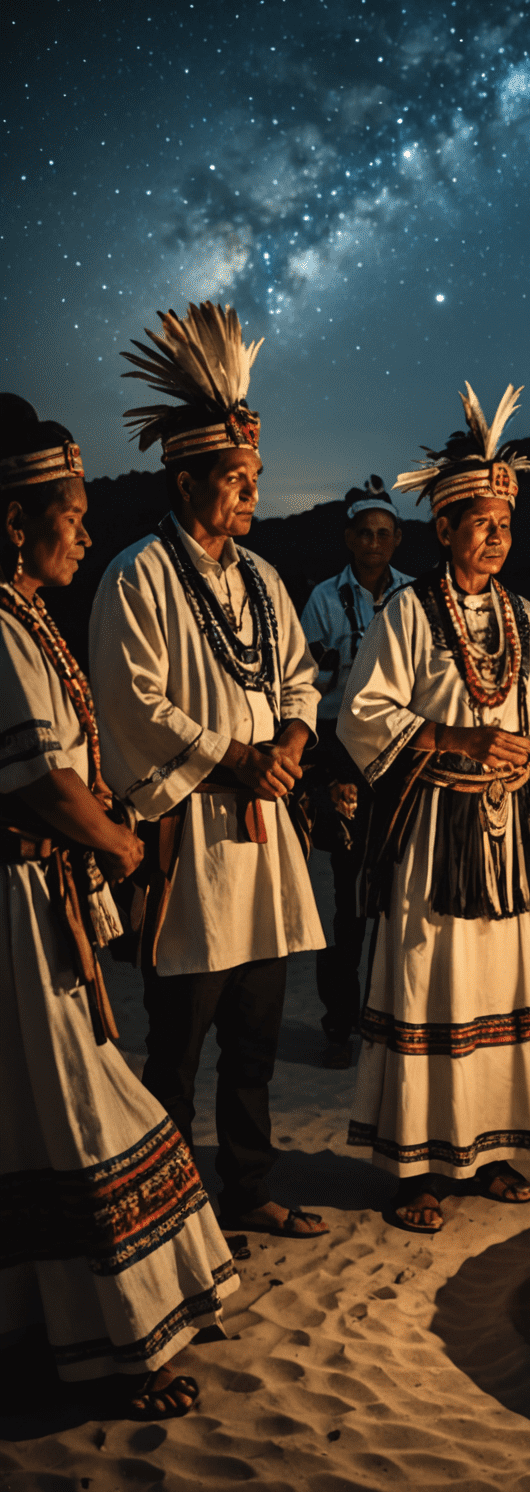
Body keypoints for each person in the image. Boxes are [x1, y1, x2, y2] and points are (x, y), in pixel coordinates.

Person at [0, 394, 237, 1421]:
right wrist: (120, 841)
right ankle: (110, 1345)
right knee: (77, 1111)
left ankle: (57, 1330)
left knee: (45, 1113)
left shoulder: (22, 617)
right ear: (14, 519)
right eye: (70, 511)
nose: (86, 530)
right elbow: (40, 785)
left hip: (38, 904)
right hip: (20, 914)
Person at [91, 303, 329, 1242]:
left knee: (256, 1035)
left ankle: (249, 1186)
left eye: (255, 479)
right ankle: (170, 1201)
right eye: (234, 480)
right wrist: (241, 758)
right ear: (187, 479)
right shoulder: (137, 575)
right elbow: (137, 701)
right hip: (191, 835)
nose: (249, 495)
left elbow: (304, 679)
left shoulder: (264, 581)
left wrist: (293, 751)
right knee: (178, 1040)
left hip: (264, 845)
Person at [339, 381, 530, 1235]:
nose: (496, 537)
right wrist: (453, 741)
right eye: (480, 523)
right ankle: (416, 1168)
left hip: (505, 831)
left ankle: (490, 1148)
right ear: (443, 529)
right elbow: (362, 711)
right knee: (429, 984)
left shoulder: (525, 618)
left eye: (506, 525)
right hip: (433, 834)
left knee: (502, 979)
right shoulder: (406, 612)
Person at [299, 475, 412, 1068]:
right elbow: (304, 687)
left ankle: (392, 1017)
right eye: (364, 533)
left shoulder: (416, 596)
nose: (373, 542)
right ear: (349, 538)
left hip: (402, 756)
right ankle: (339, 1024)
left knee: (400, 894)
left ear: (398, 539)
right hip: (343, 752)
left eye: (384, 534)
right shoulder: (322, 600)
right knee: (348, 899)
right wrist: (321, 773)